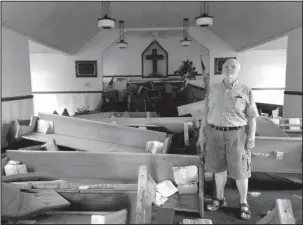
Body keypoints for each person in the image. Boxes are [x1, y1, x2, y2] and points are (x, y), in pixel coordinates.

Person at [197, 58, 259, 220]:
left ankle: (243, 202)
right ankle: (219, 198)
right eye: (226, 66)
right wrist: (201, 134)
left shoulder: (246, 90)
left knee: (241, 171)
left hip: (237, 134)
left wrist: (251, 136)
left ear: (238, 70)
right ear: (222, 69)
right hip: (214, 133)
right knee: (218, 168)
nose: (230, 68)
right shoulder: (213, 89)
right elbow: (205, 113)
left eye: (233, 66)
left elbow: (252, 117)